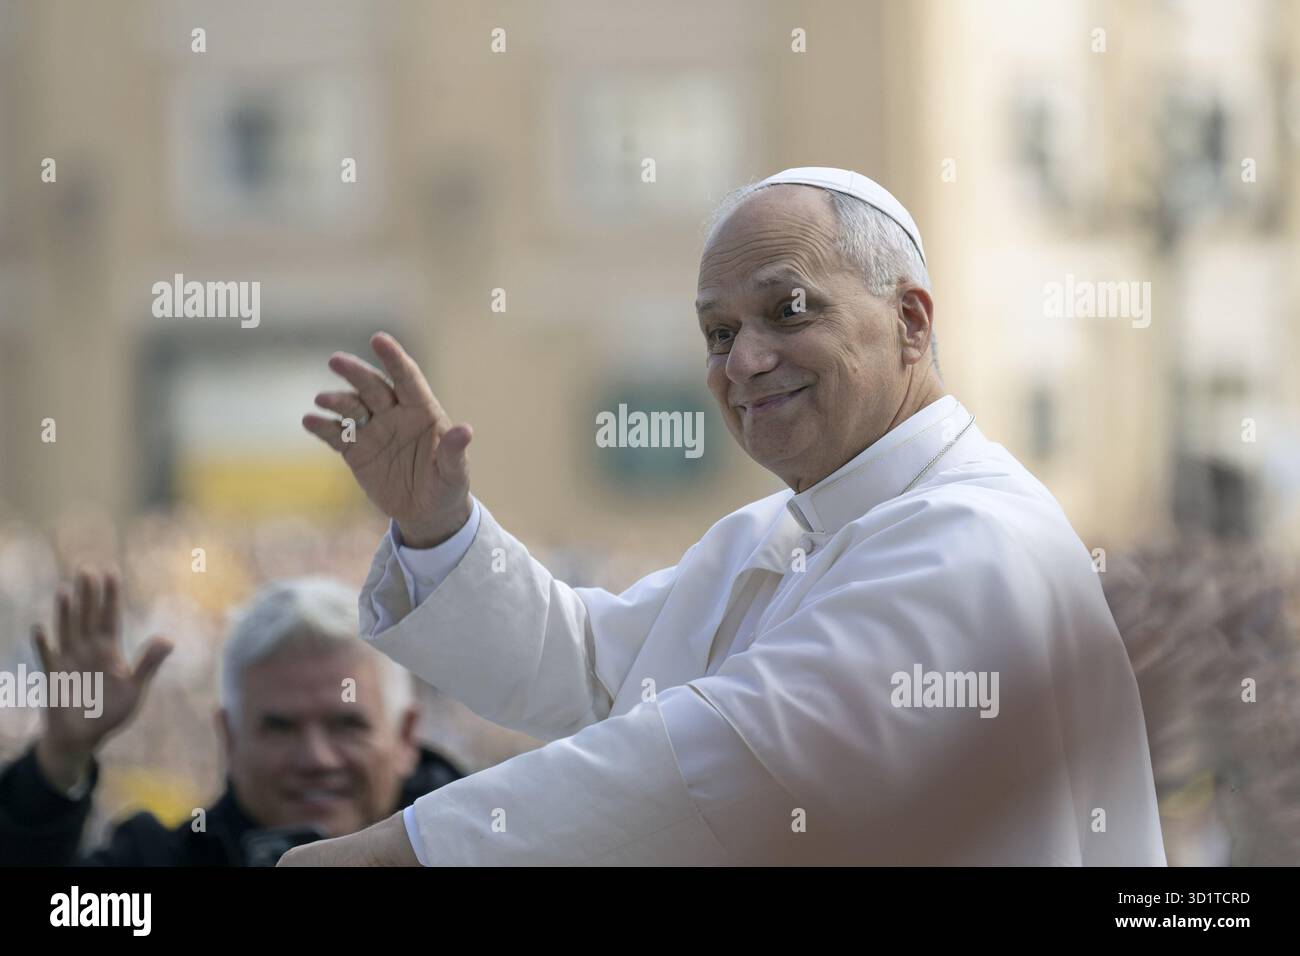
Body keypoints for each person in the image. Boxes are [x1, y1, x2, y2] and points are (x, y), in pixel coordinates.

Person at [293, 165, 1166, 865]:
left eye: (789, 311)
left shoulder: (977, 536)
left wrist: (406, 852)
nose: (745, 360)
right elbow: (593, 671)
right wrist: (439, 528)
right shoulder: (773, 534)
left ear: (908, 319)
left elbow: (734, 760)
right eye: (718, 332)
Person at [0, 572, 461, 865]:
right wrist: (57, 765)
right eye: (279, 727)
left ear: (404, 737)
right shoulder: (162, 864)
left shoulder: (493, 848)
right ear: (230, 739)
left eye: (347, 725)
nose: (316, 757)